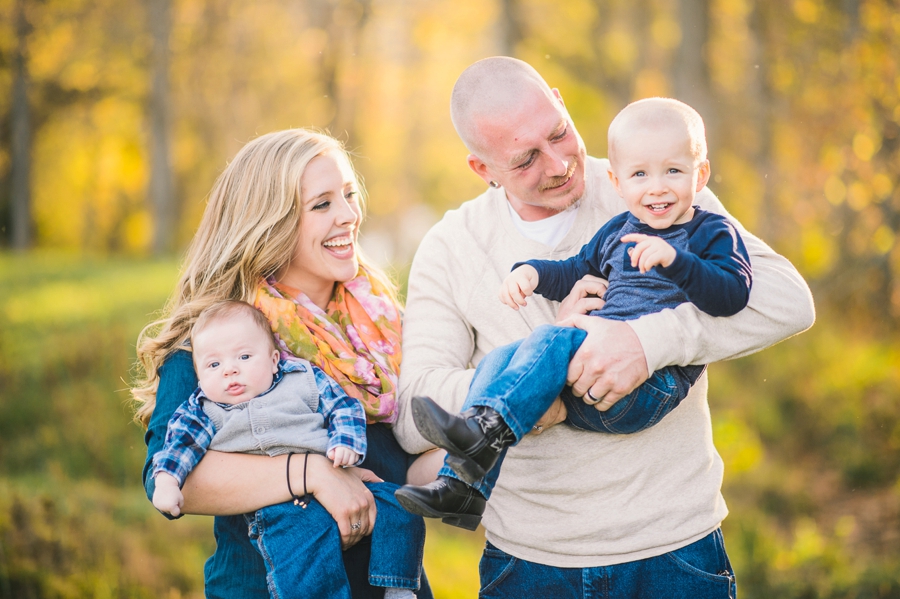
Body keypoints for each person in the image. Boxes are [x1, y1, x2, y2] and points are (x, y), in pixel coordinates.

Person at [393, 57, 815, 598]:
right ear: (482, 169)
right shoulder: (451, 248)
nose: (559, 164)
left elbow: (788, 301)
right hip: (528, 564)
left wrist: (648, 342)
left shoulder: (650, 182)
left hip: (674, 550)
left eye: (559, 134)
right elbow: (412, 413)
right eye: (525, 160)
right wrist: (541, 379)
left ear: (560, 99)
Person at [396, 98, 753, 528]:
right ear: (618, 182)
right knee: (505, 357)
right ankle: (463, 489)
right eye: (526, 158)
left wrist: (669, 282)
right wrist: (529, 272)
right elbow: (574, 270)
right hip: (533, 541)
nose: (657, 187)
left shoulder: (703, 225)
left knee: (547, 342)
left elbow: (735, 294)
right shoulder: (622, 224)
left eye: (559, 133)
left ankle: (485, 427)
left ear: (701, 174)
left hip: (652, 392)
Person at [133, 129, 437, 599]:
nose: (349, 216)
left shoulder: (380, 329)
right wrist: (313, 473)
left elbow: (404, 467)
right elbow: (173, 479)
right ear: (269, 223)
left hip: (392, 585)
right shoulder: (219, 345)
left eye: (349, 196)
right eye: (322, 205)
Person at [151, 300, 424, 599]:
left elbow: (343, 408)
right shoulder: (205, 409)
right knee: (306, 558)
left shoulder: (301, 379)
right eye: (214, 365)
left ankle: (397, 587)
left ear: (273, 360)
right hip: (283, 505)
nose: (229, 370)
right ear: (199, 376)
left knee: (400, 506)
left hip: (346, 479)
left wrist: (346, 442)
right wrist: (167, 480)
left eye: (244, 357)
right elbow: (180, 446)